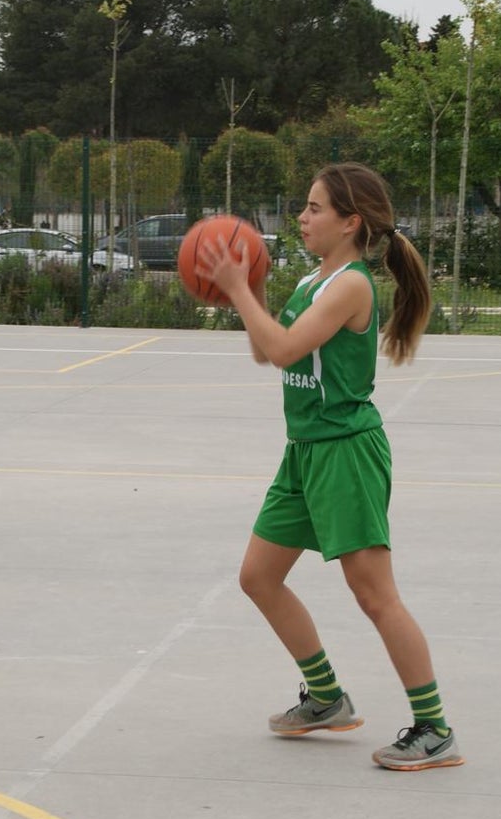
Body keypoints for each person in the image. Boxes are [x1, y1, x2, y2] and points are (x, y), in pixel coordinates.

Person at [197, 162, 463, 772]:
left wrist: (237, 289)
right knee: (258, 577)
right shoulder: (313, 280)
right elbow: (269, 353)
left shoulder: (352, 284)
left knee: (375, 597)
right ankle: (325, 697)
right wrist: (255, 293)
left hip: (345, 451)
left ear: (352, 222)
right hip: (305, 451)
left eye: (315, 208)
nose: (302, 217)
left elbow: (288, 348)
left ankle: (435, 727)